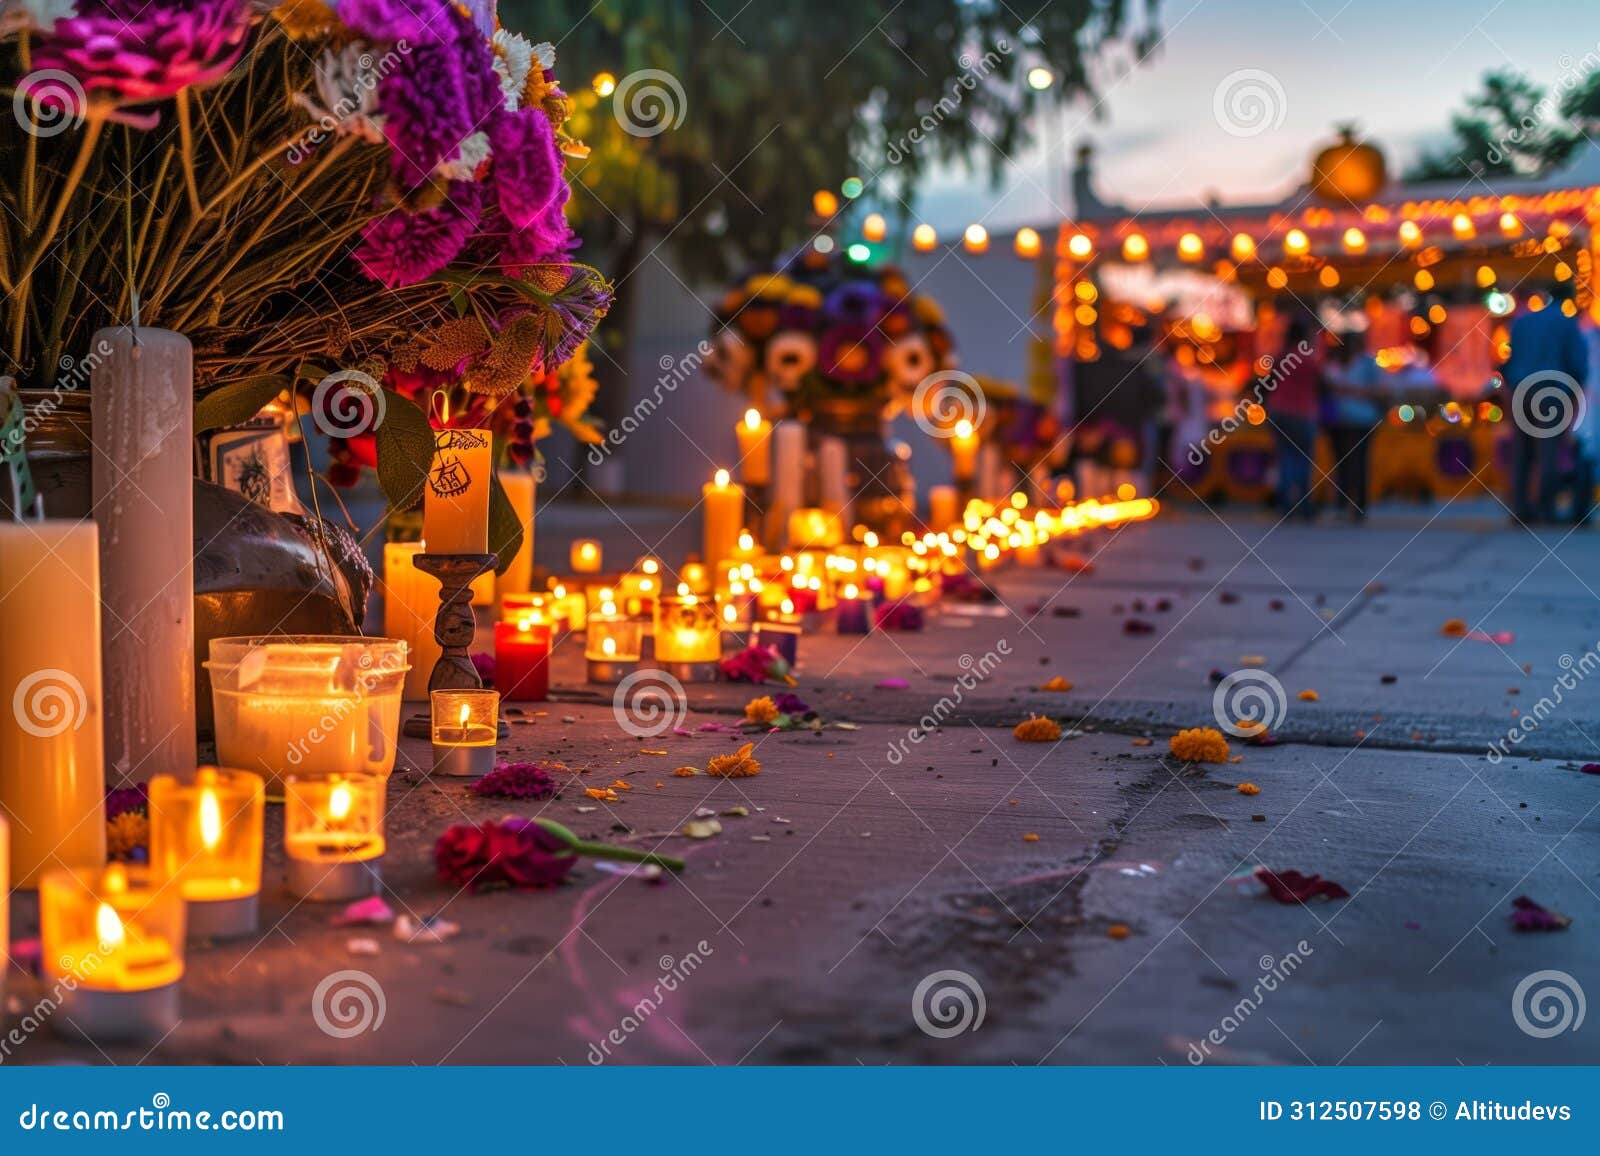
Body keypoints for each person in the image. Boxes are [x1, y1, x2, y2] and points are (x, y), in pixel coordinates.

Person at [1503, 281, 1588, 524]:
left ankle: (1520, 508)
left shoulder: (1521, 322)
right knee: (1548, 452)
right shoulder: (1567, 324)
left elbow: (1508, 360)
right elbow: (1578, 364)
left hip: (1520, 389)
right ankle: (1545, 508)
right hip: (1551, 390)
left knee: (1521, 452)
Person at [1320, 329, 1386, 520]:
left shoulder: (1363, 364)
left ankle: (1352, 504)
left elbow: (1378, 391)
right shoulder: (1337, 364)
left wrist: (1347, 390)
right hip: (1345, 420)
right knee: (1349, 463)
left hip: (1354, 420)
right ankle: (1350, 504)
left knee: (1351, 463)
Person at [1265, 311, 1324, 519]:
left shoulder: (1281, 355)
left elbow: (1268, 384)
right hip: (1302, 413)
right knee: (1302, 459)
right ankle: (1304, 505)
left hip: (1278, 410)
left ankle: (1286, 504)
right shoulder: (1308, 359)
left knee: (1286, 458)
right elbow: (1322, 381)